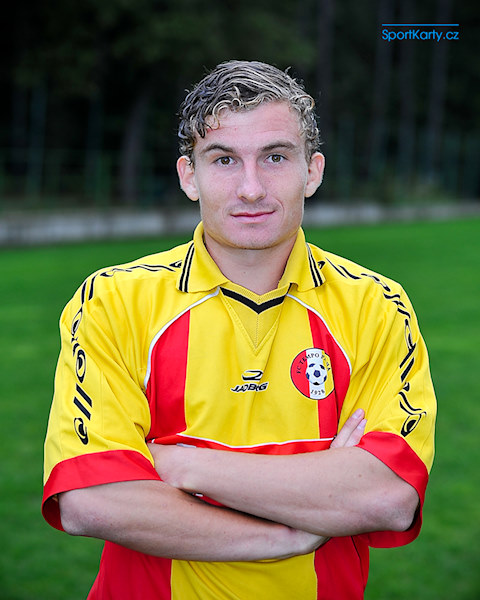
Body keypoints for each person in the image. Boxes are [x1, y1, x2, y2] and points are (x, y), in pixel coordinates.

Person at [42, 60, 436, 599]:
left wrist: (181, 463)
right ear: (189, 176)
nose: (251, 189)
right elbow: (91, 501)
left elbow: (387, 497)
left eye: (275, 157)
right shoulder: (112, 302)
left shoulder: (377, 305)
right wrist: (288, 534)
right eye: (224, 159)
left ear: (312, 172)